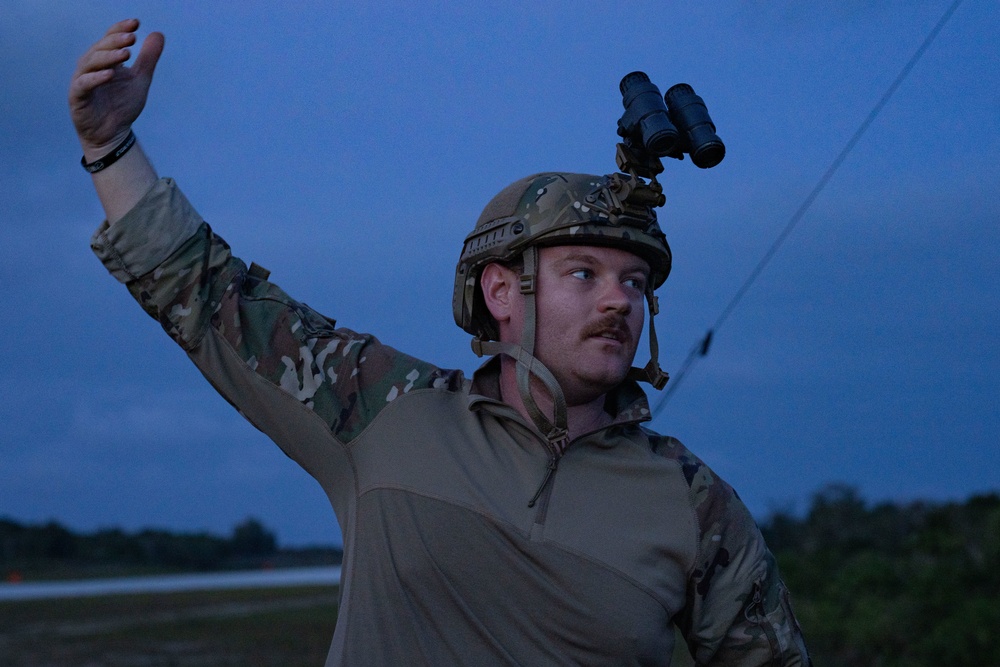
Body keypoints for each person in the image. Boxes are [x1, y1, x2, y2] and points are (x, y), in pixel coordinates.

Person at [71, 18, 811, 667]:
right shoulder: (381, 410)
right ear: (500, 292)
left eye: (637, 282)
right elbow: (208, 294)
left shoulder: (693, 504)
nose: (620, 298)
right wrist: (111, 148)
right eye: (584, 273)